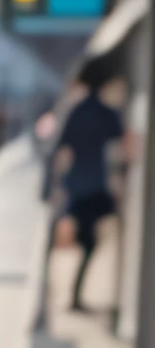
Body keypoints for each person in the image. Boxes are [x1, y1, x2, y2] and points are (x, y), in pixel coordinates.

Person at [52, 61, 126, 312]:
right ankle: (75, 297)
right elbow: (121, 142)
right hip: (95, 185)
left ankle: (76, 296)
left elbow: (61, 148)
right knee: (91, 242)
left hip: (79, 185)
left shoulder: (76, 112)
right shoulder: (106, 113)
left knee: (89, 241)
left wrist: (57, 184)